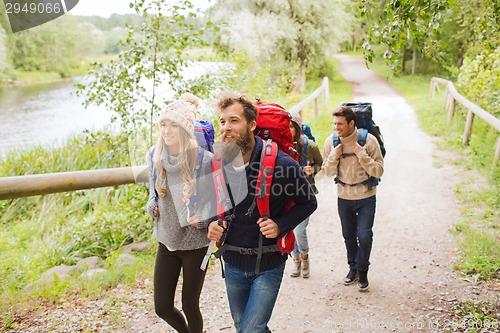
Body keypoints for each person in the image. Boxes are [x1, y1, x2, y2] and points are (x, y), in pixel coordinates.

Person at [207, 92, 318, 333]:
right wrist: (210, 223)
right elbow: (210, 202)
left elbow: (308, 202)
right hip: (233, 262)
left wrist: (281, 224)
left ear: (252, 124)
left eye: (234, 120)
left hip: (268, 263)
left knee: (251, 329)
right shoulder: (218, 163)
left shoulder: (281, 164)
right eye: (223, 122)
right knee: (242, 327)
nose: (226, 127)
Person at [146, 95, 213, 333]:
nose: (167, 130)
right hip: (168, 240)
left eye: (174, 125)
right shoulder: (155, 156)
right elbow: (152, 192)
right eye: (163, 124)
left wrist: (204, 218)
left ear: (185, 129)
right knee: (162, 307)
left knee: (190, 305)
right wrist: (152, 204)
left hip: (196, 245)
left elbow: (218, 203)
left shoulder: (205, 160)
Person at [322, 105, 384, 291]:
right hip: (344, 197)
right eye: (334, 124)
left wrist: (361, 155)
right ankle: (353, 268)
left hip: (366, 196)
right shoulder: (331, 142)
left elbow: (379, 170)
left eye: (340, 124)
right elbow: (327, 172)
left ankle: (363, 272)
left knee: (364, 235)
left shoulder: (368, 140)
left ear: (351, 123)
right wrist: (334, 155)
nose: (336, 128)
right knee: (348, 236)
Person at [289, 113, 323, 278]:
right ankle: (296, 259)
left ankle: (304, 256)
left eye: (291, 126)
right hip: (286, 195)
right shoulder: (281, 146)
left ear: (297, 128)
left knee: (299, 230)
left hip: (305, 194)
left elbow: (319, 163)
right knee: (292, 228)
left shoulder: (310, 146)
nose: (288, 130)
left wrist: (312, 170)